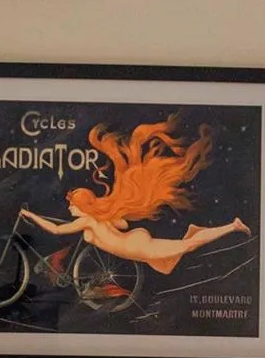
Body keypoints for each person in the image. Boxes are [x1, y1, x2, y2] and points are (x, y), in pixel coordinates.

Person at [19, 117, 250, 275]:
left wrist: (30, 215)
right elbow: (122, 224)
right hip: (135, 244)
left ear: (82, 206)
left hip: (139, 247)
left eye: (72, 204)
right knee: (174, 258)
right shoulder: (99, 218)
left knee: (188, 246)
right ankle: (205, 230)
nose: (69, 208)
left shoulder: (88, 220)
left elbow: (57, 230)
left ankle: (233, 226)